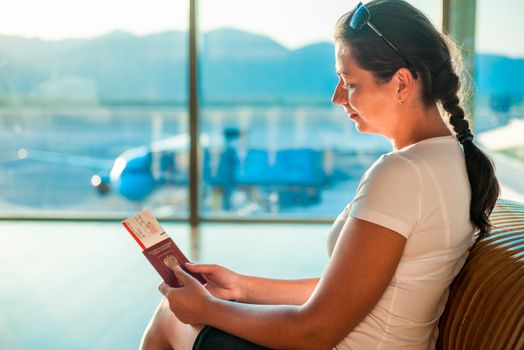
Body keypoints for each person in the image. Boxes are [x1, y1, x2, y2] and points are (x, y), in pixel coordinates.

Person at [140, 1, 500, 349]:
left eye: (349, 82)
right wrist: (242, 288)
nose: (336, 97)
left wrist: (208, 309)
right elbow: (351, 293)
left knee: (171, 317)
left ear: (402, 84)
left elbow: (315, 333)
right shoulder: (453, 159)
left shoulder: (403, 173)